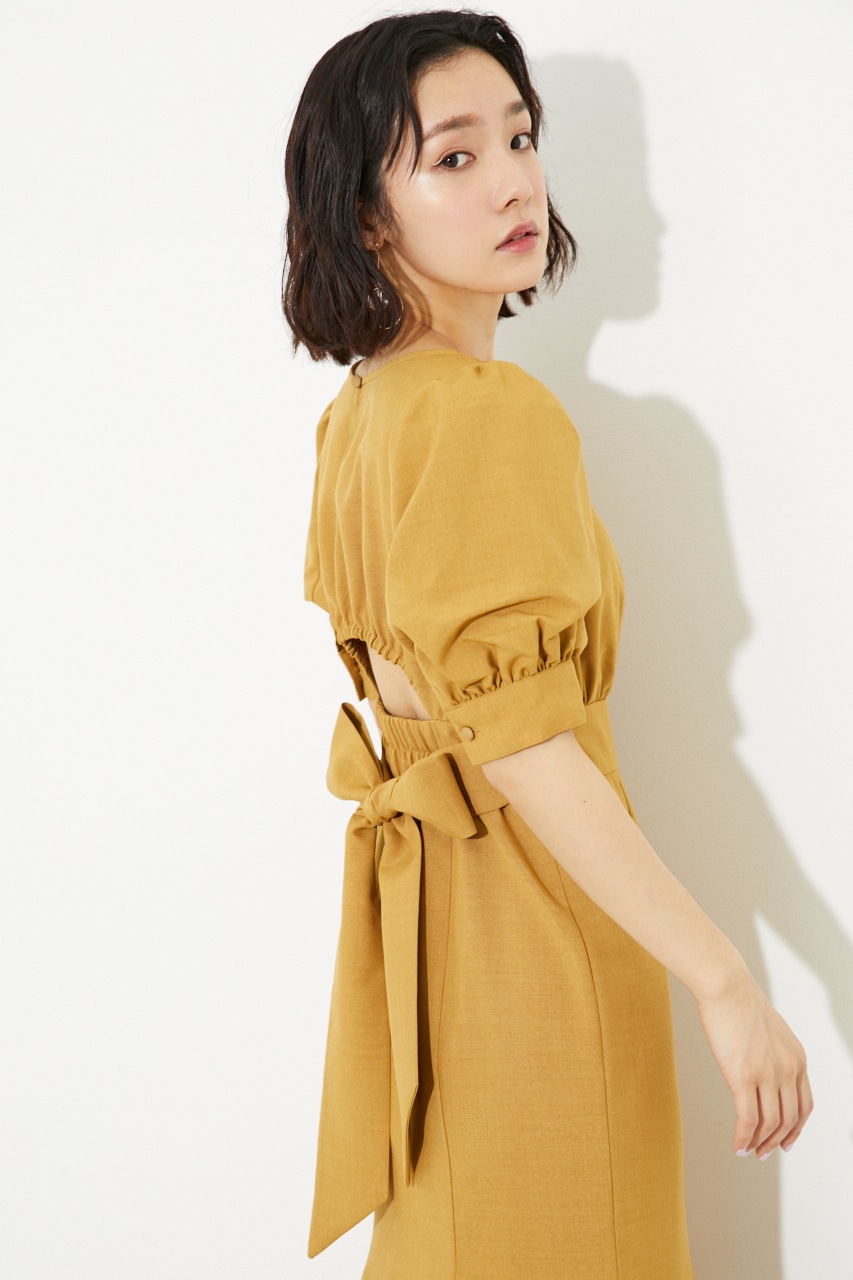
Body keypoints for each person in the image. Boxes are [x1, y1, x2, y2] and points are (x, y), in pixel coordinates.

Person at [283, 10, 813, 1278]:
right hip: (539, 946)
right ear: (367, 216)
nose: (516, 179)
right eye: (453, 156)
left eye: (520, 138)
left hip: (439, 958)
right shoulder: (486, 413)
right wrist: (723, 978)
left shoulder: (362, 414)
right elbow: (519, 741)